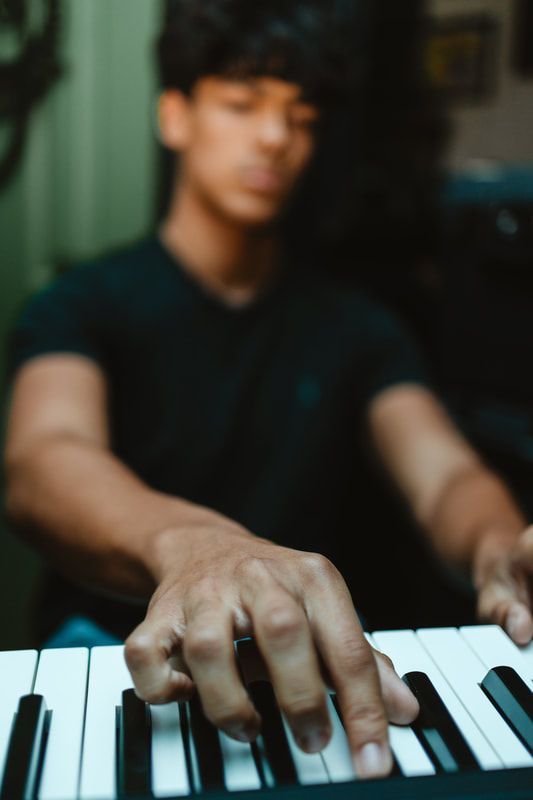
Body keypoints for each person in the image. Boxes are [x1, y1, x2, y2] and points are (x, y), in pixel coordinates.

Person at [4, 0, 532, 780]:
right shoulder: (81, 303)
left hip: (299, 666)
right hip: (105, 660)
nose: (276, 138)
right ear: (175, 115)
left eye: (301, 116)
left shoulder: (357, 326)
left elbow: (444, 473)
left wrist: (497, 546)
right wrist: (194, 548)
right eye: (243, 104)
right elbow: (44, 457)